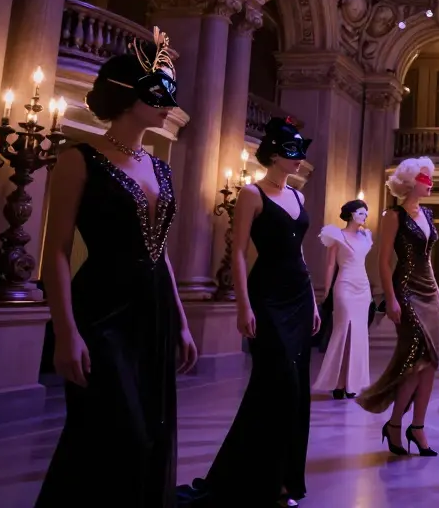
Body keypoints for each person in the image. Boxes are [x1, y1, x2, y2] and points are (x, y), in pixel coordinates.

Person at [37, 33, 197, 507]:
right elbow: (57, 251)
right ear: (128, 96)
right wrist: (65, 332)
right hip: (102, 311)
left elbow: (160, 251)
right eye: (159, 95)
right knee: (113, 430)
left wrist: (182, 321)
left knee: (151, 431)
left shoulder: (161, 168)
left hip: (154, 314)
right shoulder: (78, 159)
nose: (170, 106)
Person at [179, 118, 319, 507]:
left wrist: (311, 299)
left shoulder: (299, 197)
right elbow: (238, 252)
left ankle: (284, 479)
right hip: (267, 296)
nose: (299, 159)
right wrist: (243, 304)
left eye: (301, 152)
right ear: (273, 154)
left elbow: (300, 253)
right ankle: (264, 481)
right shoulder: (251, 194)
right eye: (292, 152)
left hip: (298, 295)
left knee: (294, 389)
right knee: (279, 383)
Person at [356, 157, 439, 457]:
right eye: (425, 178)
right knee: (415, 361)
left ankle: (417, 427)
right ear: (410, 182)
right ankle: (394, 424)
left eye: (430, 177)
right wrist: (390, 298)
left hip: (429, 291)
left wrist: (438, 292)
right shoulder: (393, 216)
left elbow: (427, 258)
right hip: (406, 291)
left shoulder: (428, 214)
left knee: (430, 362)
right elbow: (383, 262)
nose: (430, 182)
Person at [313, 199, 374, 399]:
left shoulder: (366, 236)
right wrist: (327, 290)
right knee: (343, 331)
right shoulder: (336, 235)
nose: (364, 216)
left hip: (362, 287)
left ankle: (352, 383)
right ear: (351, 214)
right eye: (361, 213)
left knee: (359, 334)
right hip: (344, 286)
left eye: (366, 213)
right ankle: (337, 382)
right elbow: (331, 265)